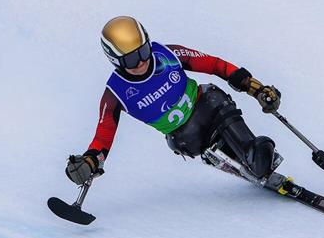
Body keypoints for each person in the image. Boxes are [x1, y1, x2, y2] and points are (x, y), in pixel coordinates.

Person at [66, 16, 283, 186]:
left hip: (211, 106)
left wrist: (254, 87)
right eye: (131, 59)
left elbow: (214, 65)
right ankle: (251, 158)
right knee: (222, 139)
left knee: (221, 107)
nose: (141, 61)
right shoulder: (115, 94)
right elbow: (103, 137)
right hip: (187, 137)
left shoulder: (167, 54)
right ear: (115, 60)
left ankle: (254, 157)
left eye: (143, 51)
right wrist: (89, 162)